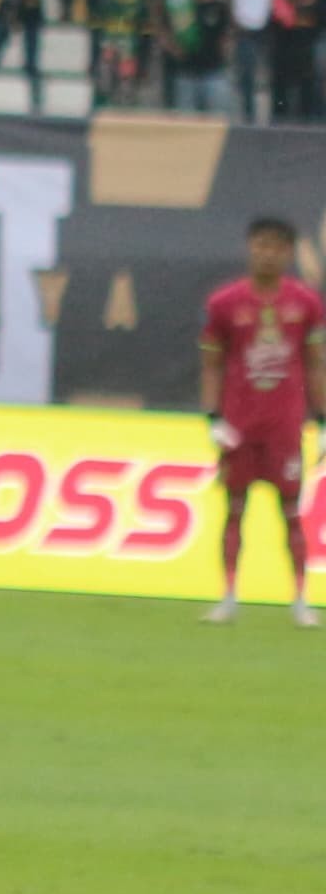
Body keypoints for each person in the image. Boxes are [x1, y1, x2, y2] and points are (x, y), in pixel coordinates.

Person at [199, 215, 324, 625]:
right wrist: (213, 416)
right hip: (239, 423)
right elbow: (212, 363)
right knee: (234, 509)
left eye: (275, 246)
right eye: (260, 245)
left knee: (290, 511)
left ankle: (300, 601)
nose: (267, 253)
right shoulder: (224, 303)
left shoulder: (304, 304)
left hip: (284, 425)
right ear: (249, 247)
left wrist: (322, 421)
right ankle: (229, 595)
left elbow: (316, 363)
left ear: (288, 253)